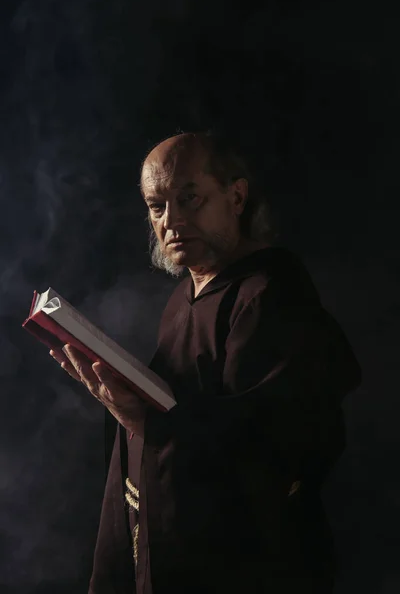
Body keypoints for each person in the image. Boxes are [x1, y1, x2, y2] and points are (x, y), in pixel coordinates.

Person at [50, 132, 361, 594]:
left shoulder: (270, 296)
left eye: (189, 198)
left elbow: (278, 444)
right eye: (156, 207)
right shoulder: (185, 295)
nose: (171, 220)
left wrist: (148, 421)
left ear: (236, 197)